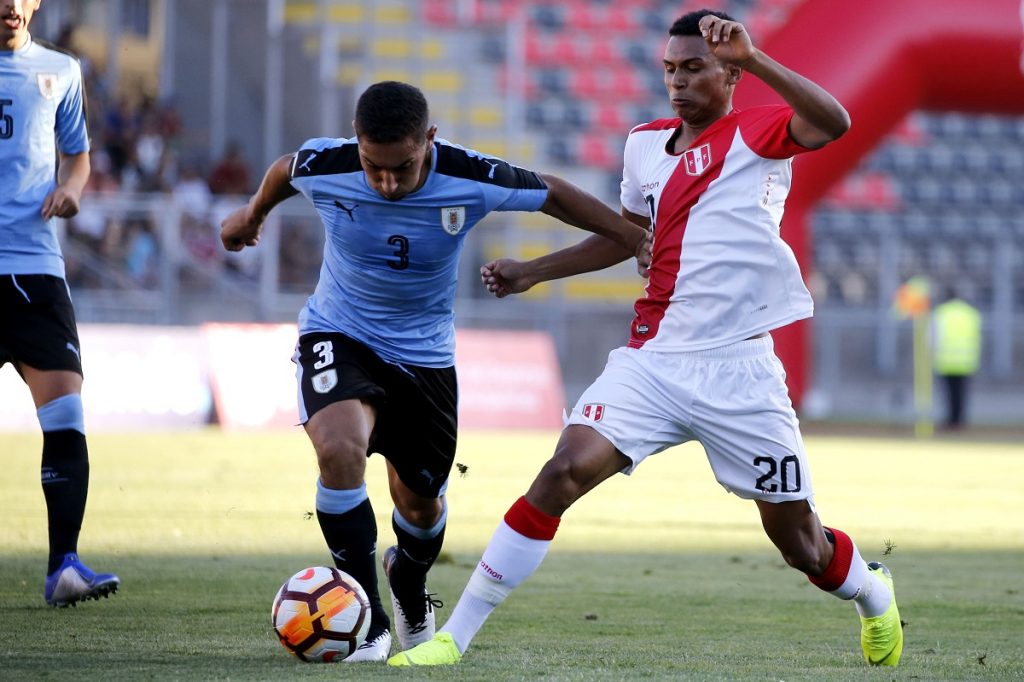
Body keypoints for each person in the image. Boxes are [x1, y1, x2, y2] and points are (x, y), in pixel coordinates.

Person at [389, 9, 904, 669]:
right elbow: (626, 236)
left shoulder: (759, 133)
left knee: (801, 544)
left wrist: (757, 59)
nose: (679, 82)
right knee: (561, 472)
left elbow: (836, 123)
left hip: (740, 370)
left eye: (695, 68)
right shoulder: (643, 146)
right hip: (653, 362)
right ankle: (452, 640)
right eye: (671, 69)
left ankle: (870, 591)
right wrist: (534, 271)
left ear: (728, 73)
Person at [219, 80, 650, 662]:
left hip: (425, 358)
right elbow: (283, 170)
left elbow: (551, 192)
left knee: (421, 511)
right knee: (339, 449)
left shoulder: (469, 177)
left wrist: (631, 236)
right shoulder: (327, 163)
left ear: (429, 139)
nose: (387, 183)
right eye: (373, 167)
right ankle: (365, 619)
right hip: (338, 332)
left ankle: (409, 583)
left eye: (402, 168)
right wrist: (251, 215)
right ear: (357, 143)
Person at [0, 0, 120, 607]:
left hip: (34, 269)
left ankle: (63, 567)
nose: (7, 5)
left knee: (66, 413)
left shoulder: (61, 71)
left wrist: (72, 190)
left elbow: (78, 153)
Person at [932, 287, 982, 430]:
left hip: (945, 360)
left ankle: (951, 420)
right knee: (962, 393)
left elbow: (932, 338)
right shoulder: (971, 313)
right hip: (966, 360)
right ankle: (960, 421)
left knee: (949, 394)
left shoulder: (941, 313)